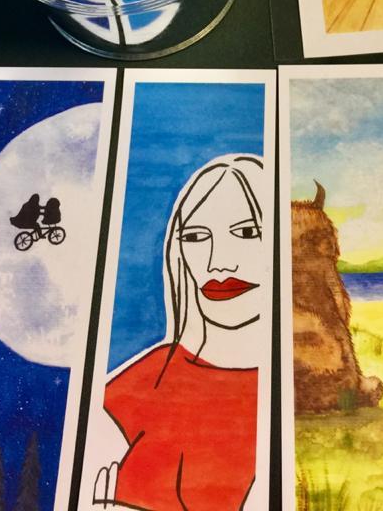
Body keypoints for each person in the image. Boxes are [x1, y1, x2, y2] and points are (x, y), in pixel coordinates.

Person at [100, 154, 265, 510]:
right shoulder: (139, 386)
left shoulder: (304, 398)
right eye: (195, 237)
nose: (218, 263)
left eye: (247, 232)